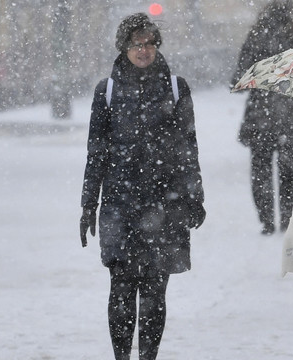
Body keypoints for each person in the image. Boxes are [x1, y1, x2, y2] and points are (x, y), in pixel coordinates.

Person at [79, 13, 205, 360]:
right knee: (120, 287)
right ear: (124, 47)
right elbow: (96, 152)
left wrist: (195, 196)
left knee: (154, 290)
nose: (144, 50)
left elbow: (188, 147)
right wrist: (88, 204)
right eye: (137, 44)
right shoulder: (107, 91)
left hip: (167, 203)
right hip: (119, 204)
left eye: (149, 43)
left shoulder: (176, 88)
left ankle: (148, 356)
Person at [231, 0, 293, 235]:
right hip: (289, 115)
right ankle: (287, 218)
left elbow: (239, 76)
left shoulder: (256, 36)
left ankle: (267, 221)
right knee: (287, 170)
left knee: (260, 169)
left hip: (260, 114)